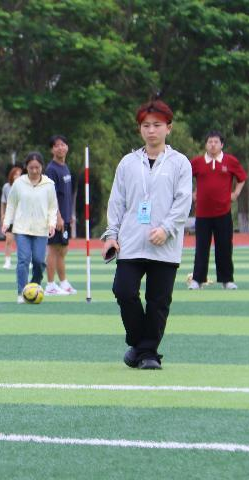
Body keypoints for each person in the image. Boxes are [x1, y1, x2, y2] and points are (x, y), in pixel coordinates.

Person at [101, 99, 192, 370]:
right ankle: (140, 345)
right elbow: (117, 202)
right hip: (130, 242)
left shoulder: (180, 163)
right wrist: (111, 234)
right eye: (146, 125)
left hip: (165, 244)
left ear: (169, 128)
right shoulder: (128, 163)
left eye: (157, 125)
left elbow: (183, 202)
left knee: (158, 301)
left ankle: (148, 354)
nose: (151, 130)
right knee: (123, 290)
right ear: (140, 129)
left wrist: (166, 229)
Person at [188, 131, 247, 290]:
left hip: (223, 212)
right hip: (202, 214)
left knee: (224, 248)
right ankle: (197, 280)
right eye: (210, 142)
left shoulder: (230, 161)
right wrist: (190, 193)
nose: (212, 145)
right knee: (201, 248)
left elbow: (242, 178)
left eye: (216, 142)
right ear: (206, 145)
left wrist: (236, 193)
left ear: (222, 144)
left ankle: (227, 280)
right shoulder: (197, 162)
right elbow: (183, 177)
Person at [2, 152, 58, 304]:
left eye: (37, 167)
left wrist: (52, 224)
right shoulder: (19, 183)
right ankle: (21, 292)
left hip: (41, 229)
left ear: (42, 167)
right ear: (26, 167)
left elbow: (52, 207)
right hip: (21, 228)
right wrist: (7, 222)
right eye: (31, 167)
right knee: (23, 260)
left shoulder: (49, 184)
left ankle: (34, 287)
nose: (34, 170)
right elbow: (11, 204)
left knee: (39, 261)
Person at [44, 135, 77, 295]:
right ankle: (50, 285)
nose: (60, 148)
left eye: (63, 144)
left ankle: (63, 283)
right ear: (52, 149)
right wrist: (57, 216)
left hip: (65, 217)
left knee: (63, 250)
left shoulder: (65, 167)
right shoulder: (51, 169)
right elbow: (50, 195)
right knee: (53, 249)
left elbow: (66, 195)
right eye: (56, 145)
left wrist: (69, 215)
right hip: (55, 218)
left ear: (67, 147)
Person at [0, 165, 24, 269]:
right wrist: (2, 215)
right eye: (16, 174)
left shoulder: (25, 187)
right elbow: (3, 202)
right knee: (9, 240)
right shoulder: (6, 187)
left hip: (22, 219)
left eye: (19, 175)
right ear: (12, 175)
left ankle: (26, 261)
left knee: (23, 242)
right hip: (10, 219)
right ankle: (7, 261)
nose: (17, 176)